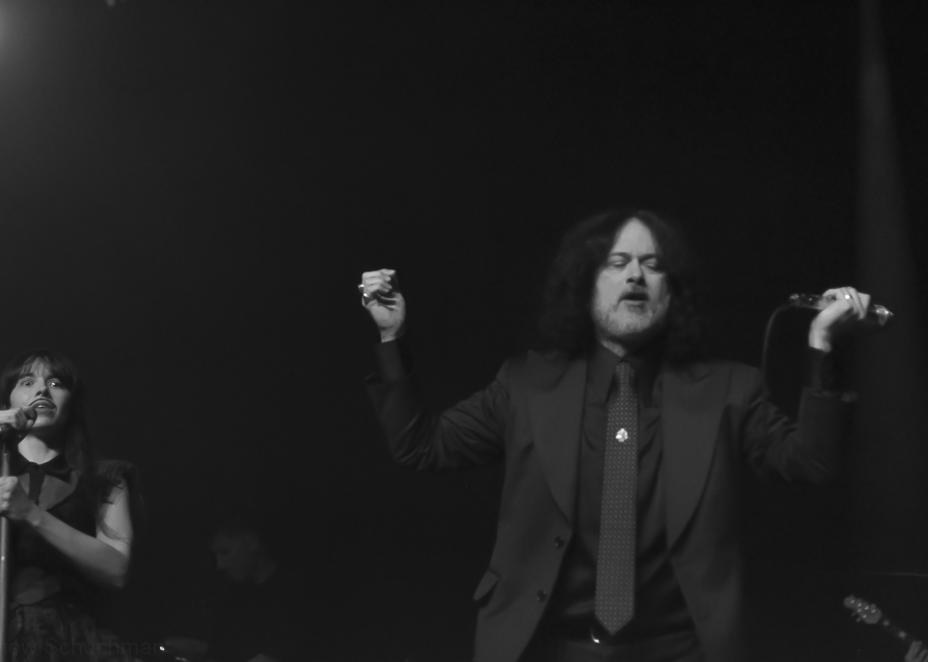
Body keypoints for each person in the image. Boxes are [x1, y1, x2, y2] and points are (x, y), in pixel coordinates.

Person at [360, 209, 868, 662]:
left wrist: (823, 344)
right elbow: (422, 446)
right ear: (585, 285)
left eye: (653, 265)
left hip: (683, 649)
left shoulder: (730, 390)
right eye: (616, 262)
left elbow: (812, 463)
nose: (635, 276)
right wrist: (391, 336)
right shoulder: (525, 384)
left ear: (674, 291)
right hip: (548, 647)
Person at [0, 349, 137, 661]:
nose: (42, 390)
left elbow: (116, 570)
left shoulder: (104, 479)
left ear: (72, 402)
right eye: (27, 382)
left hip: (75, 644)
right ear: (7, 403)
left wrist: (31, 513)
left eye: (55, 383)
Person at [162, 519, 302, 662]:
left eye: (225, 552)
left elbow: (271, 656)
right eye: (216, 555)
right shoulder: (235, 595)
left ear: (253, 542)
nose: (220, 564)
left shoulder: (290, 597)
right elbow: (230, 649)